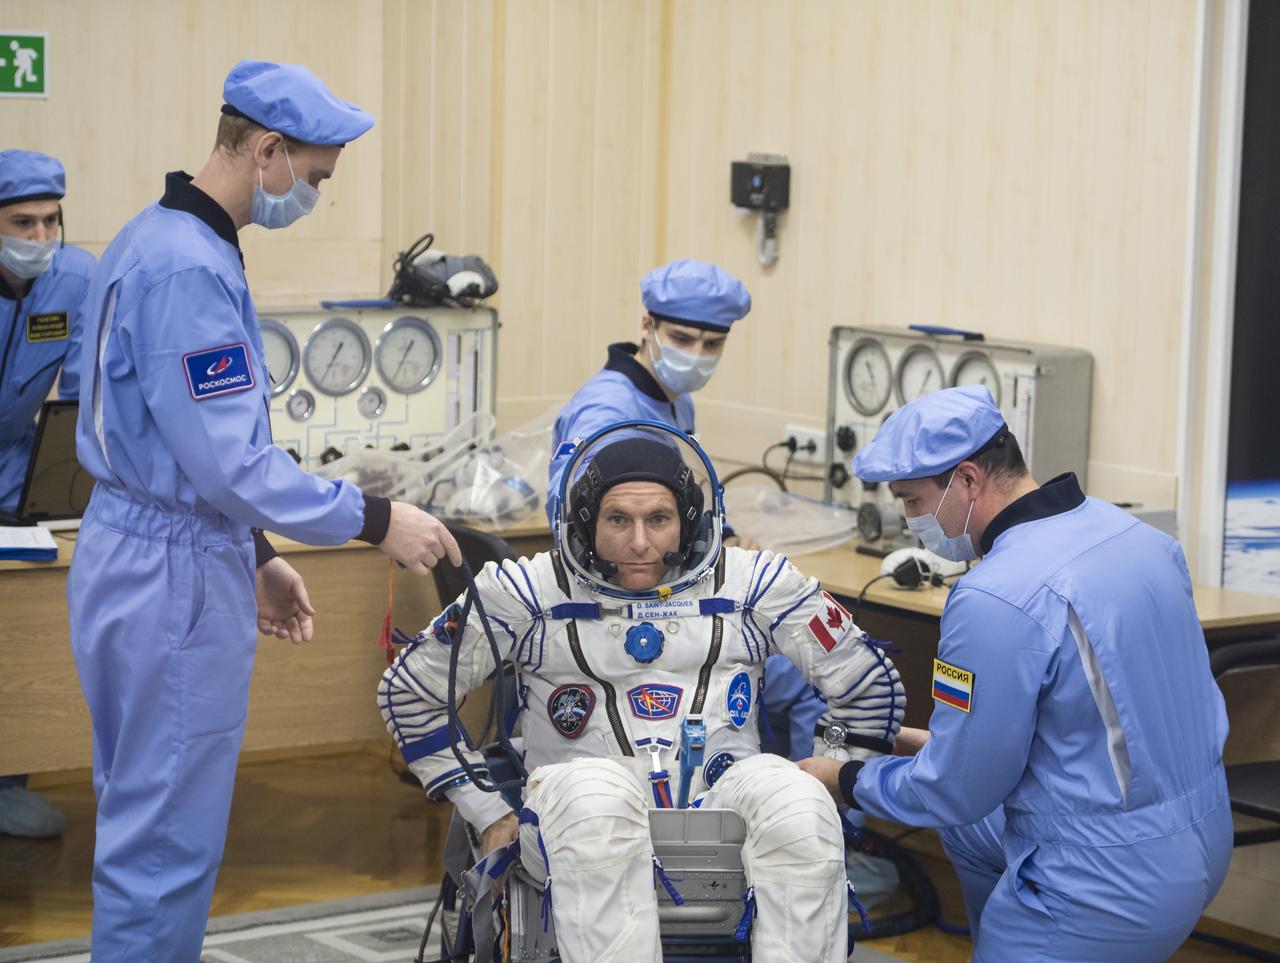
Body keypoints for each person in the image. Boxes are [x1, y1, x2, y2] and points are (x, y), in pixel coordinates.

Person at [67, 60, 462, 961]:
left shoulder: (150, 236)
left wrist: (254, 554)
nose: (312, 196)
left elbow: (189, 450)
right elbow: (236, 463)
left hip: (151, 550)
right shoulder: (188, 271)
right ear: (268, 150)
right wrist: (376, 520)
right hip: (166, 573)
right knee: (163, 841)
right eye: (315, 179)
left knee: (147, 813)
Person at [380, 422, 906, 963]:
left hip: (725, 799)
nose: (639, 542)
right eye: (617, 520)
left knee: (799, 802)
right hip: (574, 814)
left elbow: (867, 684)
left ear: (689, 520)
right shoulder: (527, 593)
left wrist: (835, 771)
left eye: (659, 519)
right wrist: (488, 811)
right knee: (594, 800)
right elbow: (409, 691)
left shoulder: (754, 585)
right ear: (584, 523)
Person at [800, 385, 1233, 962]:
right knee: (969, 830)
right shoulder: (1142, 540)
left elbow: (956, 789)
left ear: (969, 480)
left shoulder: (993, 598)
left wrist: (844, 779)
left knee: (956, 808)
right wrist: (933, 745)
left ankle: (1034, 938)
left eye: (911, 502)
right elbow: (1110, 719)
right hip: (1202, 834)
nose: (910, 522)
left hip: (1108, 882)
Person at [545, 258, 825, 757]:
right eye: (682, 339)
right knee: (804, 676)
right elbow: (574, 527)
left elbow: (682, 495)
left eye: (712, 344)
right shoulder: (608, 411)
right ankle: (826, 824)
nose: (697, 354)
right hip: (630, 605)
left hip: (671, 586)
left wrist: (724, 537)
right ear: (646, 325)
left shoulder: (674, 401)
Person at [0, 148, 96, 838]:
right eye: (22, 223)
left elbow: (86, 390)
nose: (39, 239)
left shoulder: (76, 277)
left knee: (21, 632)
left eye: (50, 222)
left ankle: (7, 778)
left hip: (18, 479)